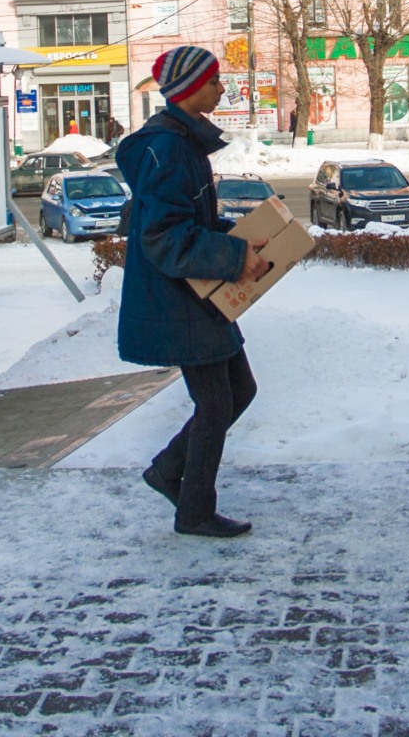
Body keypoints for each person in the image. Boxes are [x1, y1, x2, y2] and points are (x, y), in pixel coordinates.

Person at [115, 46, 273, 539]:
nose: (221, 89)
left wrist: (240, 239)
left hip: (198, 296)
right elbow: (163, 236)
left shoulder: (183, 141)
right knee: (216, 404)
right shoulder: (167, 148)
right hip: (178, 301)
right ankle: (194, 511)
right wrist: (231, 256)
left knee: (239, 391)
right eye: (213, 82)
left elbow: (191, 222)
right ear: (187, 90)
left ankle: (169, 471)